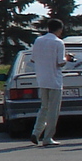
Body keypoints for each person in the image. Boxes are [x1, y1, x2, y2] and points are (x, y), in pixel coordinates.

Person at [29, 18, 71, 147]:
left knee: (44, 108)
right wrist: (67, 58)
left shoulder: (38, 40)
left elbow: (33, 59)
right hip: (54, 80)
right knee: (53, 111)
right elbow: (60, 62)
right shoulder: (58, 43)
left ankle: (36, 132)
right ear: (60, 29)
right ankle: (48, 137)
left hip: (42, 79)